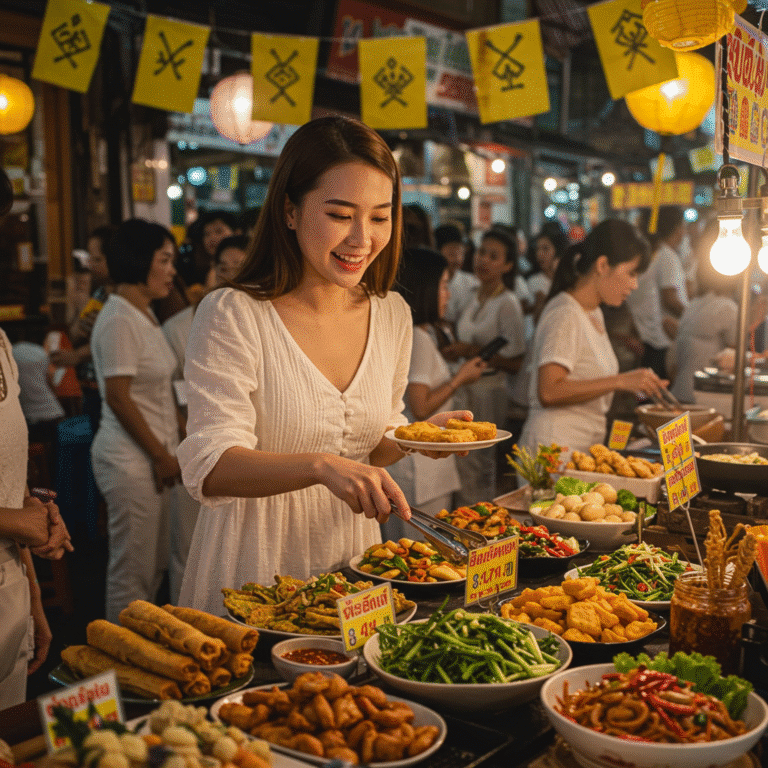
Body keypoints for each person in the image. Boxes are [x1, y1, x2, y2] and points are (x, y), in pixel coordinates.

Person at [176, 116, 467, 616]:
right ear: (289, 211)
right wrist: (319, 467)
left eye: (380, 217)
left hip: (354, 563)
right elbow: (210, 465)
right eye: (340, 214)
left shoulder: (392, 313)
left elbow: (369, 445)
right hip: (255, 563)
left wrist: (416, 437)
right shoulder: (233, 312)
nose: (362, 239)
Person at [89, 219, 182, 622]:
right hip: (130, 461)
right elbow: (118, 396)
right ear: (139, 261)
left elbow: (157, 394)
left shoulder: (142, 314)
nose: (172, 271)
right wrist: (161, 456)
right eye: (164, 260)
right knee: (132, 572)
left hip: (152, 457)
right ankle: (118, 666)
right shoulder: (120, 318)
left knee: (154, 566)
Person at [518, 219, 667, 465]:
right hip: (553, 450)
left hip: (579, 448)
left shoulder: (593, 312)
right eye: (631, 273)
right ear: (602, 265)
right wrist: (620, 381)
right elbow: (549, 391)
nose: (634, 284)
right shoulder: (565, 313)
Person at [161, 235, 248, 602]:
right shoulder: (183, 324)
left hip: (244, 459)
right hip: (195, 446)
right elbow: (173, 389)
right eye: (221, 268)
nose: (227, 277)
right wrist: (194, 440)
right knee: (189, 547)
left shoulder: (261, 320)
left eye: (238, 270)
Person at [383, 247, 487, 541]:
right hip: (420, 469)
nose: (449, 294)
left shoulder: (420, 333)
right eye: (443, 285)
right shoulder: (419, 337)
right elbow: (420, 406)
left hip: (424, 467)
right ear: (425, 288)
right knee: (418, 549)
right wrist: (459, 379)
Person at [0, 323, 73, 709]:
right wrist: (12, 521)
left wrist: (33, 603)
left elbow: (10, 481)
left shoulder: (3, 344)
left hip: (10, 589)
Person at [442, 227, 526, 504]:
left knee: (481, 459)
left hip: (490, 389)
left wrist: (473, 351)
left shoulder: (508, 302)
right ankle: (460, 513)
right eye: (481, 253)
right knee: (461, 457)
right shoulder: (470, 294)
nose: (484, 261)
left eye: (494, 256)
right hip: (465, 384)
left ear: (508, 264)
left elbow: (516, 361)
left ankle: (479, 515)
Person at [626, 206, 689, 379]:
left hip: (647, 336)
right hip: (662, 339)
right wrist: (691, 318)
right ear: (677, 229)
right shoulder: (667, 256)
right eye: (683, 227)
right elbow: (670, 298)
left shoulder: (653, 253)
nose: (684, 233)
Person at [528, 222, 569, 327]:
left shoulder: (568, 281)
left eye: (545, 249)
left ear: (558, 251)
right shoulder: (533, 282)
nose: (539, 254)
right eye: (538, 249)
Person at [435, 223, 476, 324]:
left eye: (461, 253)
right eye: (451, 254)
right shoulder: (431, 282)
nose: (457, 259)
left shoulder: (472, 283)